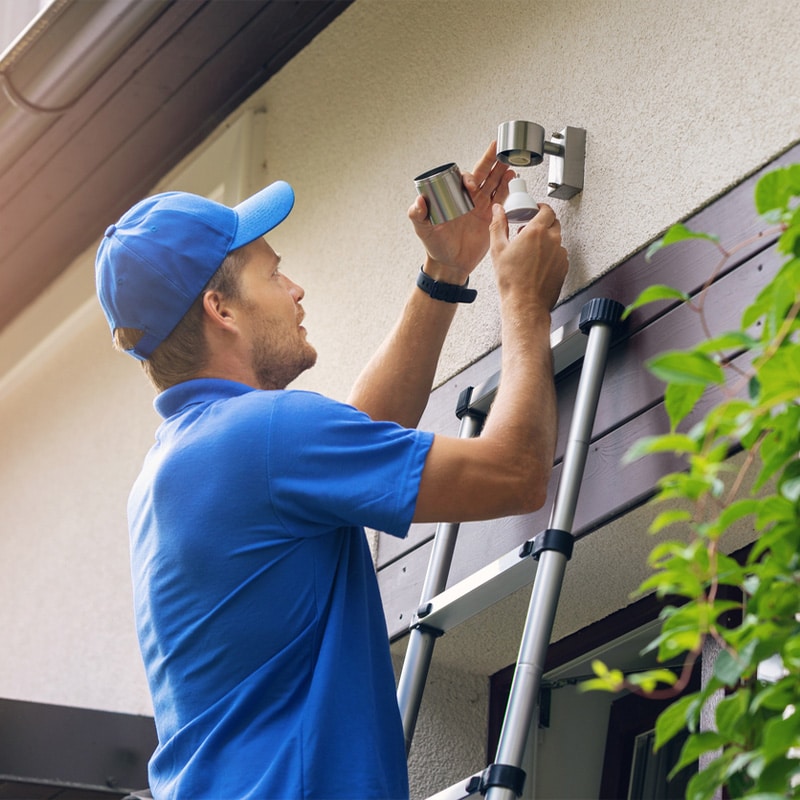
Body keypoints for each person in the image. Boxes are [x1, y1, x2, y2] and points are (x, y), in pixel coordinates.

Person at [95, 141, 568, 800]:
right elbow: (516, 473)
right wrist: (524, 303)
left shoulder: (182, 462)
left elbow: (358, 436)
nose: (295, 289)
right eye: (273, 273)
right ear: (220, 308)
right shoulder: (262, 437)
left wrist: (446, 270)